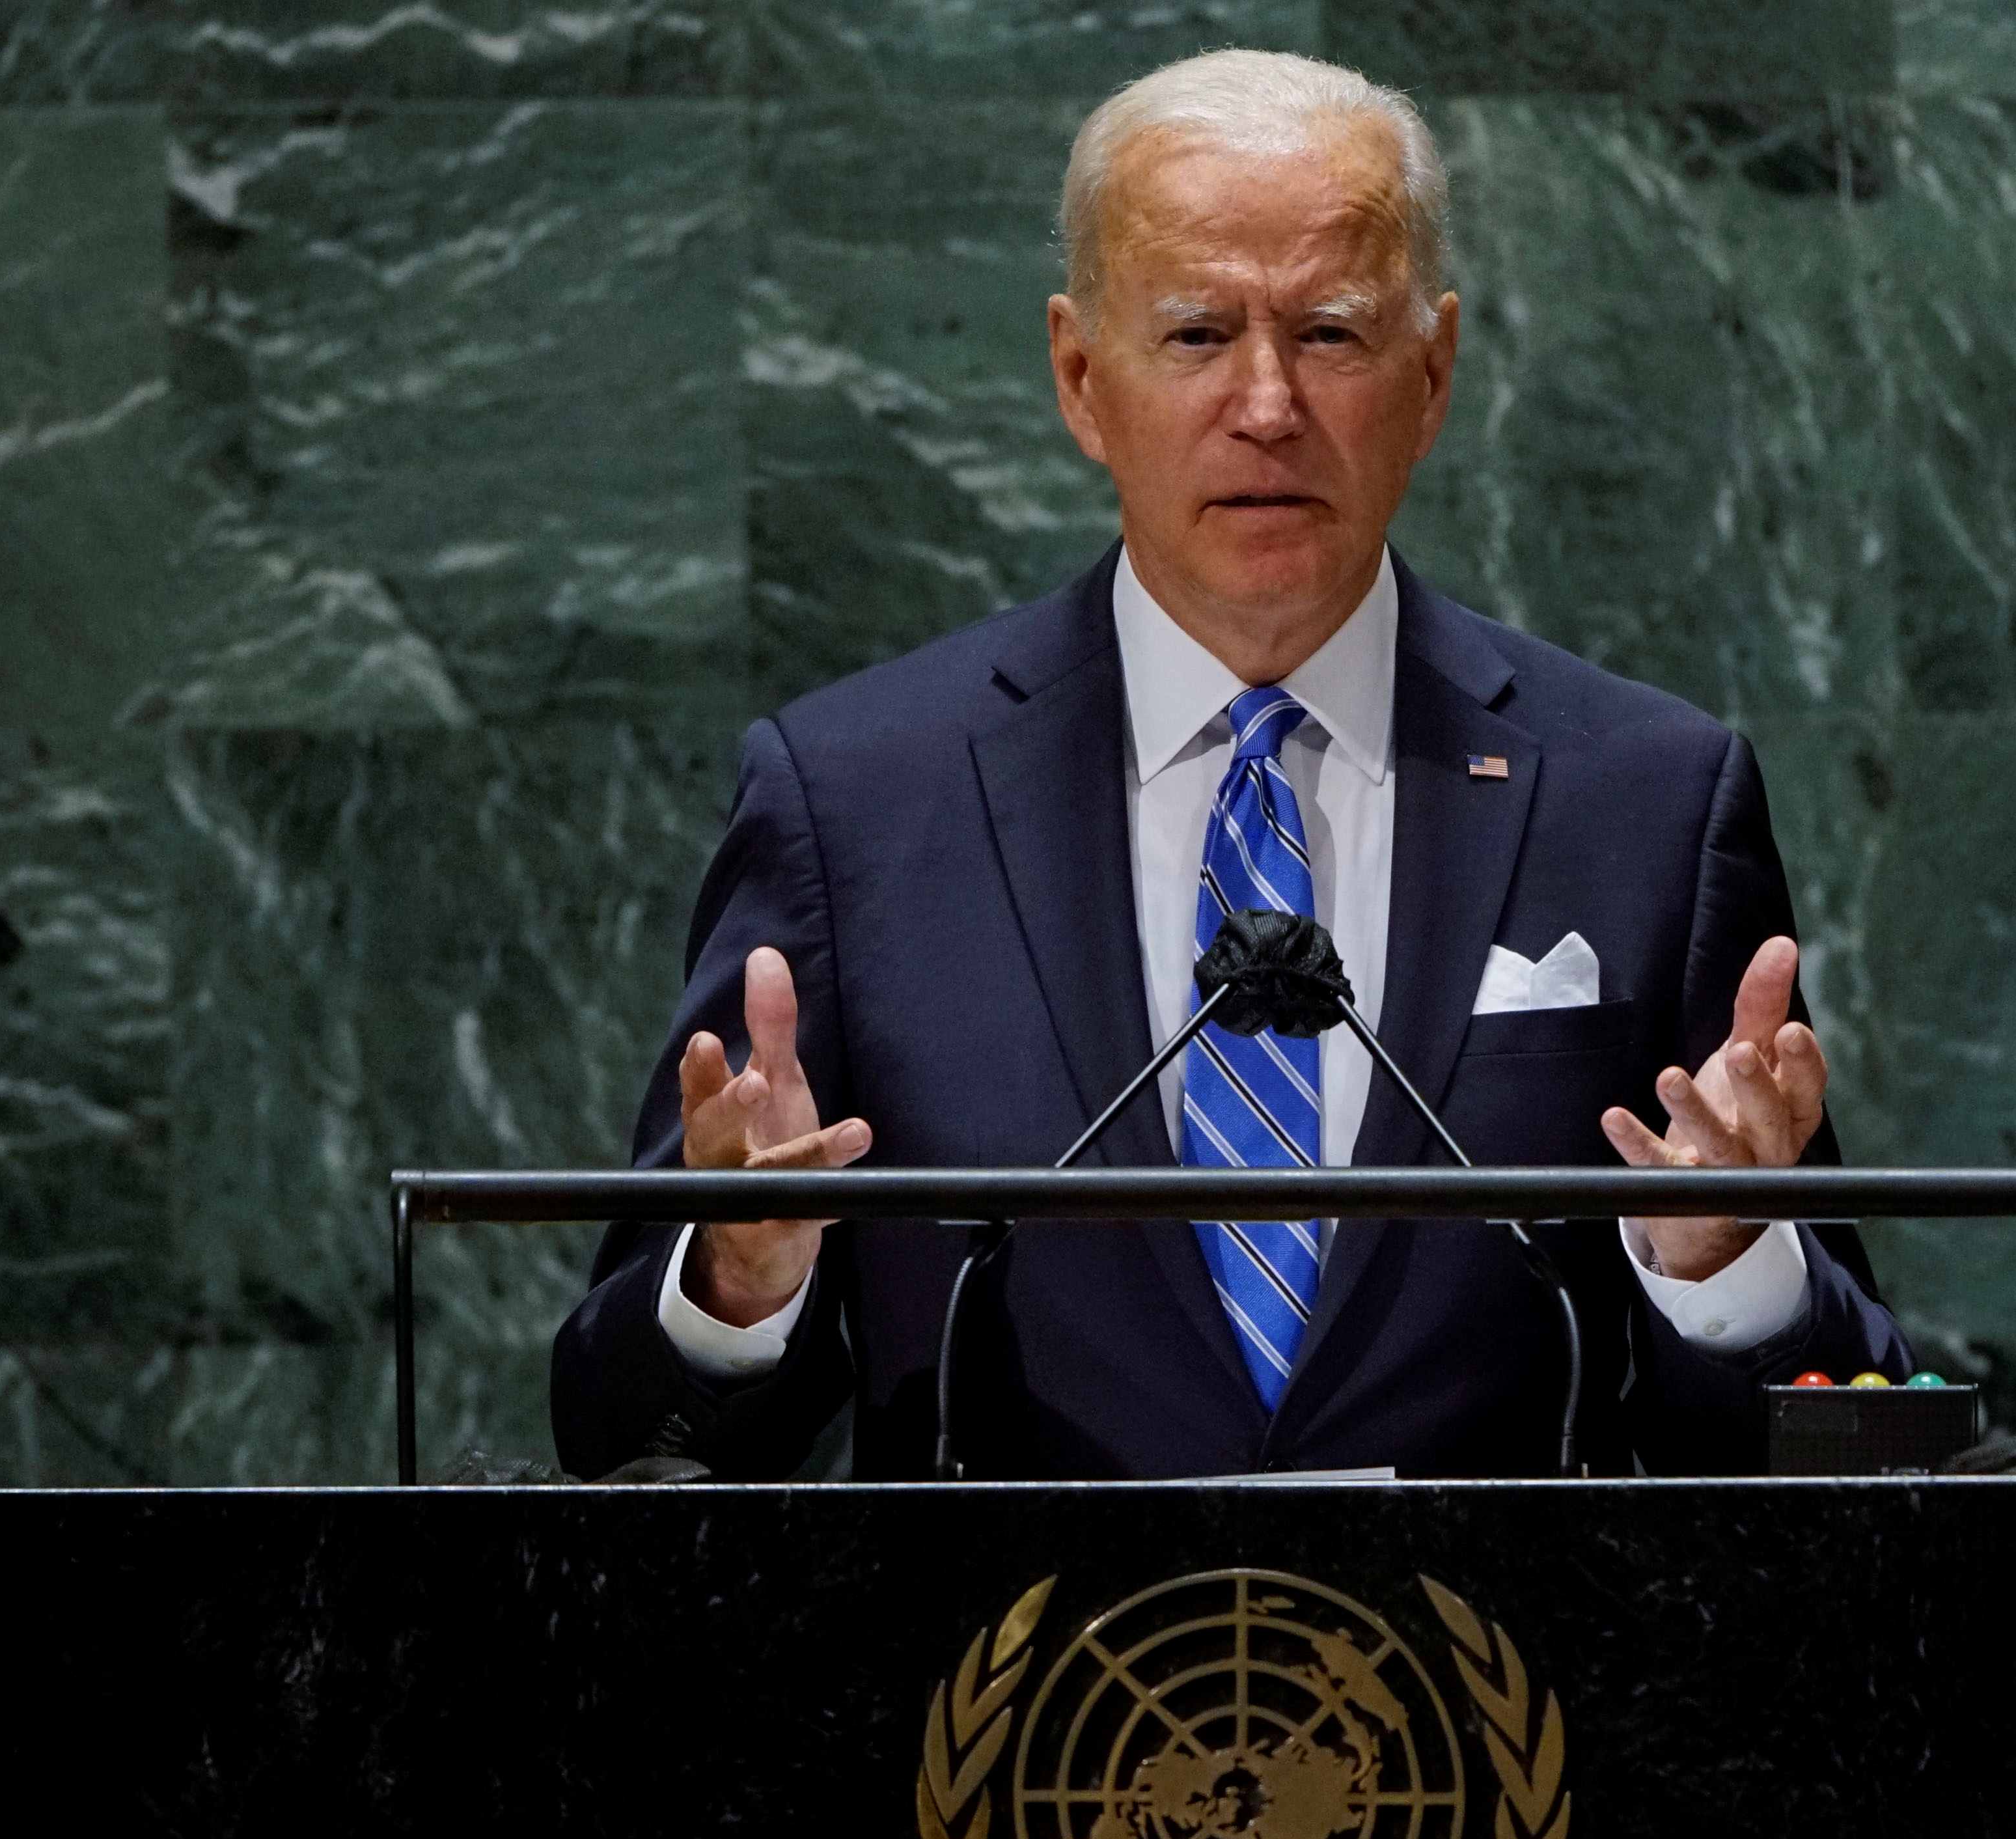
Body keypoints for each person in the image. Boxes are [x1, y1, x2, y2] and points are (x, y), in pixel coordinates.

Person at [550, 49, 1910, 1480]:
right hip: (1013, 1689)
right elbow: (621, 1447)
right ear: (1082, 379)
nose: (1267, 405)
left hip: (1502, 1688)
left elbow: (1857, 1425)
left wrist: (1727, 1262)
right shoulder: (857, 803)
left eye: (1329, 334)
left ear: (1434, 372)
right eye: (1197, 335)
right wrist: (737, 1284)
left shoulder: (1645, 798)